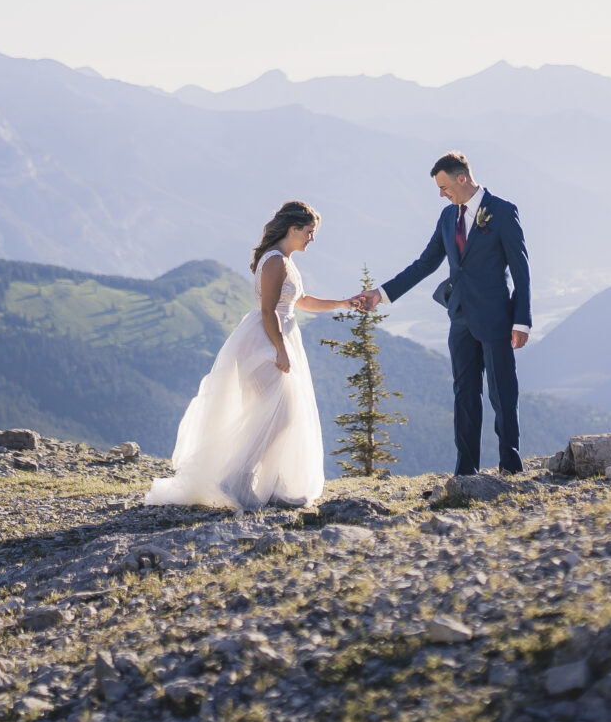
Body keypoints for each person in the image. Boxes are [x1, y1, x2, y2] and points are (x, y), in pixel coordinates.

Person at [144, 201, 363, 511]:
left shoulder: (285, 260)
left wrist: (343, 304)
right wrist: (280, 350)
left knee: (275, 413)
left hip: (276, 338)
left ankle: (262, 481)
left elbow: (302, 301)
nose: (312, 238)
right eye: (309, 232)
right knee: (278, 413)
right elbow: (268, 310)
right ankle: (236, 478)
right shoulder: (276, 262)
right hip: (264, 342)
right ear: (293, 229)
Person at [359, 152, 532, 476]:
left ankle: (511, 465)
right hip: (460, 318)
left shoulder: (503, 212)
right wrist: (380, 295)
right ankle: (466, 471)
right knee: (464, 394)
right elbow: (425, 264)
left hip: (497, 318)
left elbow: (521, 270)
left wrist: (522, 320)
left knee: (502, 394)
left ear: (462, 178)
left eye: (444, 186)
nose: (441, 194)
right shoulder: (446, 218)